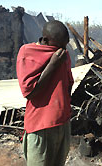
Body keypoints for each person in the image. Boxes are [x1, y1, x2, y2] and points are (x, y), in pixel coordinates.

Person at [16, 20, 74, 166]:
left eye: (65, 45)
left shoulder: (63, 54)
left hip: (62, 123)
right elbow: (29, 92)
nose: (63, 50)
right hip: (40, 126)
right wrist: (52, 64)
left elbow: (68, 86)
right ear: (46, 40)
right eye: (60, 46)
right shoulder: (28, 52)